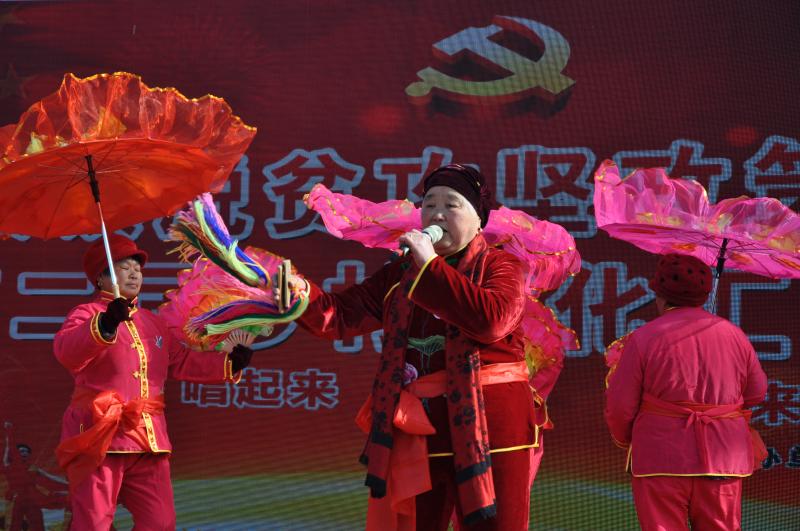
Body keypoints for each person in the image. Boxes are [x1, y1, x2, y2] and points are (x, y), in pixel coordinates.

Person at [290, 164, 536, 530]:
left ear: (479, 221)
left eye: (451, 205)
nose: (437, 214)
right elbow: (339, 316)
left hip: (493, 428)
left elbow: (492, 321)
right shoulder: (400, 271)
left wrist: (431, 265)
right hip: (424, 429)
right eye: (429, 204)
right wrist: (297, 293)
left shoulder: (502, 266)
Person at [53, 234, 254, 530]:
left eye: (138, 268)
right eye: (124, 267)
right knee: (93, 523)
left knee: (160, 522)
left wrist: (229, 363)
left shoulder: (152, 322)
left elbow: (182, 361)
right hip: (99, 435)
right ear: (101, 278)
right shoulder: (87, 314)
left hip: (148, 438)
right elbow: (67, 352)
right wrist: (106, 323)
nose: (134, 273)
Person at [605, 253, 768, 531]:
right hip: (722, 457)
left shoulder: (643, 337)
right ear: (704, 295)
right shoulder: (734, 335)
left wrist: (625, 439)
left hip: (660, 456)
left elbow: (621, 405)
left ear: (660, 295)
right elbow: (757, 392)